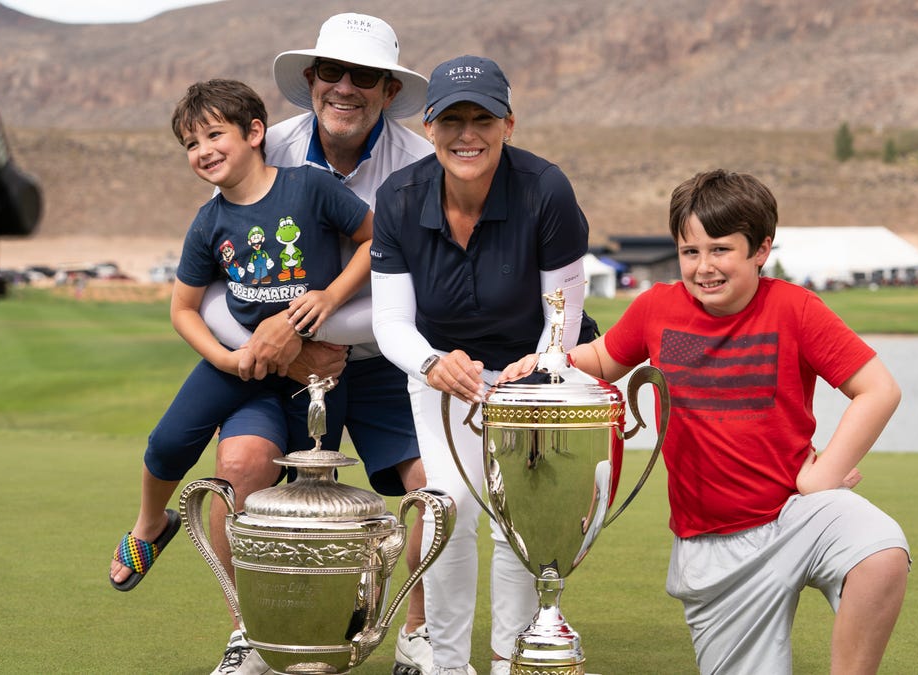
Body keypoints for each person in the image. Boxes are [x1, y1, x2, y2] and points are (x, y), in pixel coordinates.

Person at [500, 169, 910, 675]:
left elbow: (878, 389)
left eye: (720, 250)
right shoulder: (659, 310)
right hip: (713, 550)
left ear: (760, 249)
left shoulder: (796, 308)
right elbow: (600, 360)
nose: (703, 267)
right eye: (690, 251)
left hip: (795, 514)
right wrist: (543, 363)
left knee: (881, 550)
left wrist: (820, 478)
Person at [193, 13, 437, 675]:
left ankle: (417, 634)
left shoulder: (420, 164)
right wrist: (275, 345)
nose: (346, 87)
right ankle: (253, 632)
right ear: (311, 79)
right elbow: (210, 282)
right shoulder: (260, 147)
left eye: (366, 76)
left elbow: (412, 291)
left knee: (434, 488)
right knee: (239, 466)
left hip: (385, 355)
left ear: (389, 89)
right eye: (333, 72)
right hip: (275, 361)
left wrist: (314, 329)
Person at [108, 79, 372, 604]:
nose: (203, 151)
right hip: (242, 368)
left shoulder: (311, 188)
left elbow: (374, 240)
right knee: (166, 442)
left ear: (255, 132)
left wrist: (331, 296)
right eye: (190, 144)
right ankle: (149, 525)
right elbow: (183, 310)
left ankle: (303, 607)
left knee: (305, 487)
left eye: (213, 134)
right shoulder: (208, 222)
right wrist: (229, 359)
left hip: (314, 376)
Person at [371, 55, 593, 675]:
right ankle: (447, 663)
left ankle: (510, 660)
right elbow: (391, 322)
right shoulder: (399, 196)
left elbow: (564, 314)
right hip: (445, 374)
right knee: (449, 508)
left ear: (509, 124)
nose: (467, 133)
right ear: (431, 126)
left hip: (537, 374)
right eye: (451, 119)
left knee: (517, 521)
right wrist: (433, 363)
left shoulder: (546, 188)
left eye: (483, 118)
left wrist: (539, 366)